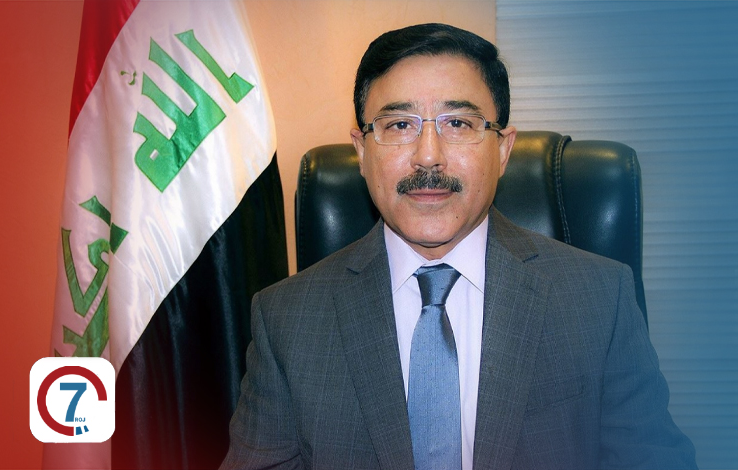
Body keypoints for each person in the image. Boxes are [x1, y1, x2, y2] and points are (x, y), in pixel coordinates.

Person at [220, 23, 697, 470]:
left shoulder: (599, 299)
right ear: (361, 152)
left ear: (503, 149)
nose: (428, 155)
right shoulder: (286, 320)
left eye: (459, 124)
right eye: (399, 125)